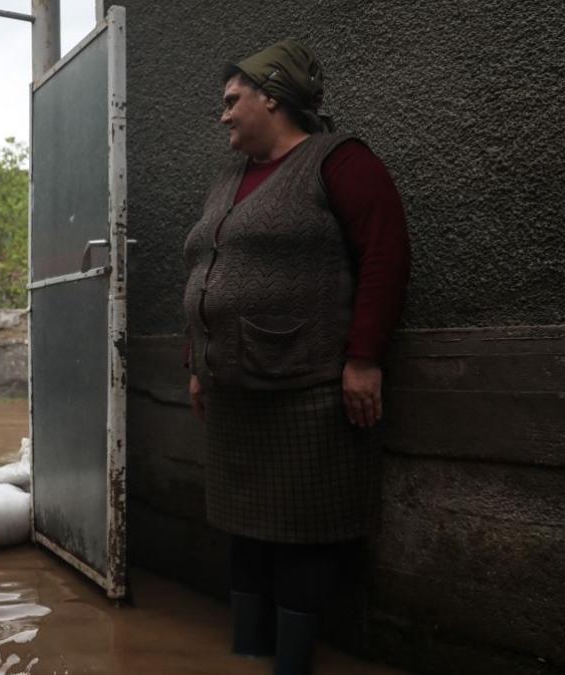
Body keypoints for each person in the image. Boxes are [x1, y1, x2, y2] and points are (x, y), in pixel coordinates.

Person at [181, 39, 410, 675]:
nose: (222, 115)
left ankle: (291, 663)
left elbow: (385, 256)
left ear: (272, 98)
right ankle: (248, 654)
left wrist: (364, 358)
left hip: (304, 386)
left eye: (232, 101)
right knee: (244, 533)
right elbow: (207, 270)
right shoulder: (229, 178)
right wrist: (196, 365)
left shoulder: (338, 161)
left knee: (301, 533)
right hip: (232, 390)